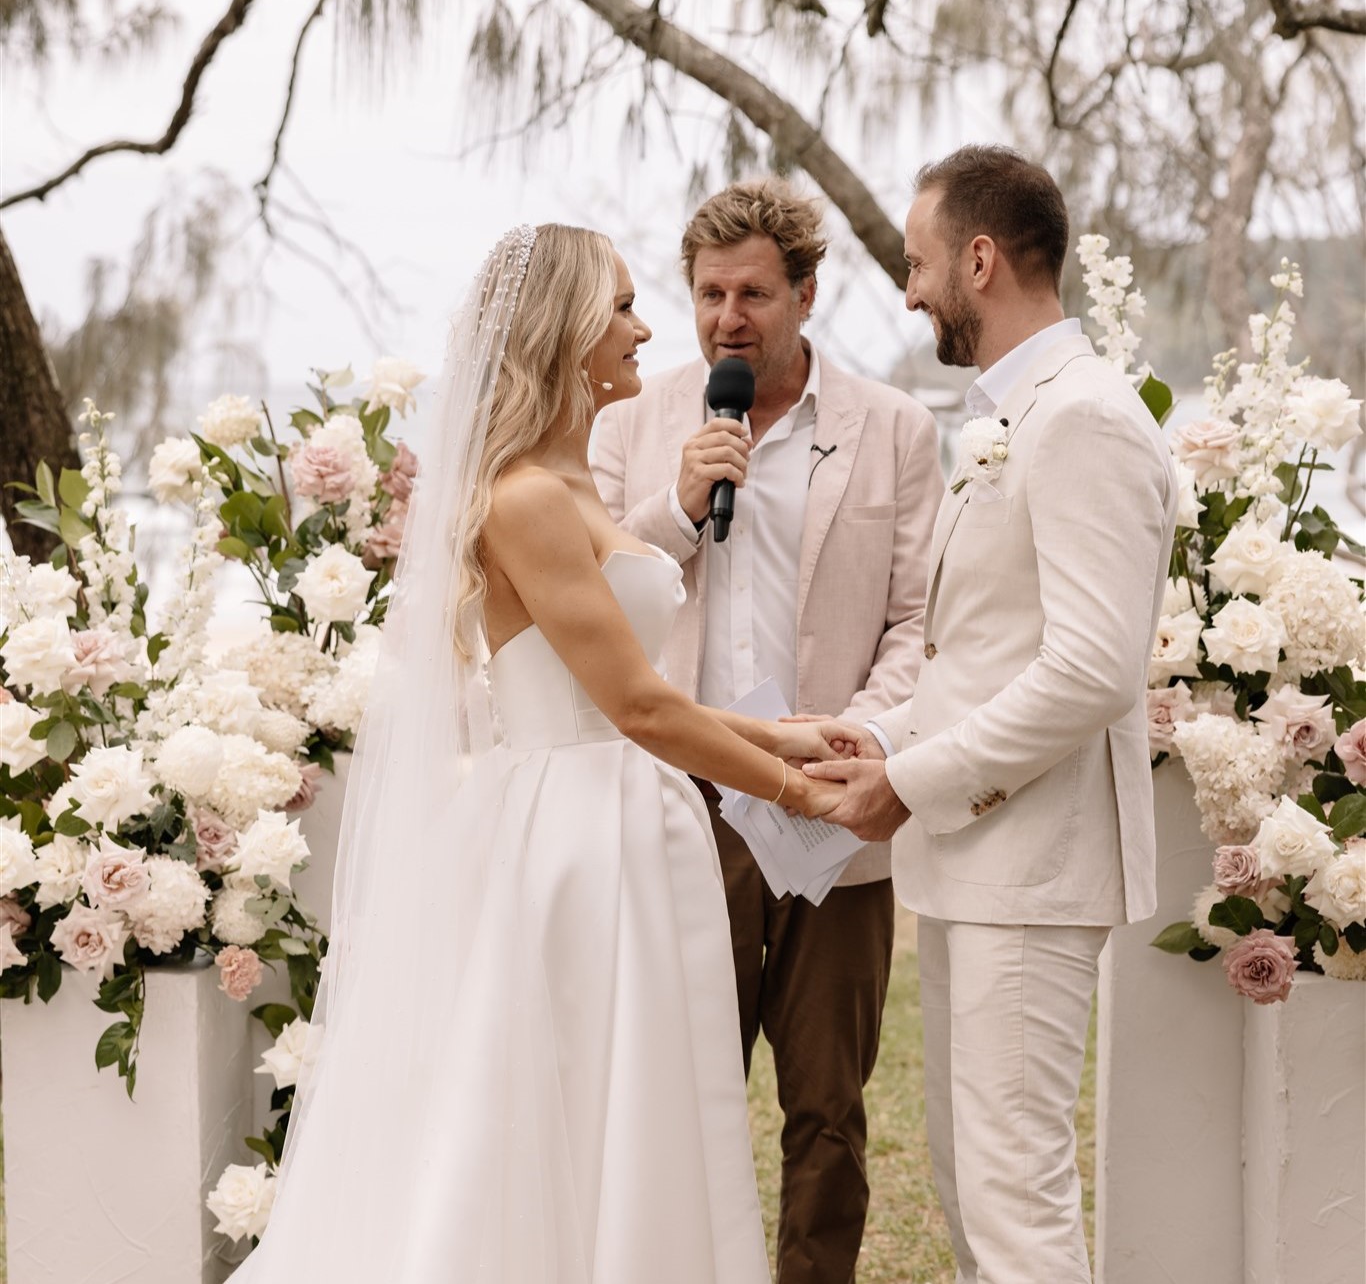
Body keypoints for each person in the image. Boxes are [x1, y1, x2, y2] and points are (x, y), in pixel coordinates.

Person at [231, 223, 853, 1283]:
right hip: (573, 842)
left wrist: (783, 729)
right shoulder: (523, 499)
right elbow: (637, 708)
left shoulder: (576, 489)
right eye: (619, 306)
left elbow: (630, 694)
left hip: (623, 819)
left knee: (637, 1098)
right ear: (563, 328)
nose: (646, 327)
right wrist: (801, 787)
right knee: (558, 1098)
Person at [806, 146, 1178, 1284]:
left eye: (918, 266)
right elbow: (983, 653)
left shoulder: (1081, 420)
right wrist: (879, 737)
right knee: (974, 1189)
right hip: (979, 860)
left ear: (980, 258)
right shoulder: (1021, 416)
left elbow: (1090, 668)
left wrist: (907, 783)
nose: (909, 292)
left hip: (1031, 867)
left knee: (1015, 1201)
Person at [592, 179, 943, 1283]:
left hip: (834, 800)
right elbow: (591, 595)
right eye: (706, 293)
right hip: (679, 801)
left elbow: (921, 617)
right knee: (664, 1089)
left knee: (829, 1105)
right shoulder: (631, 424)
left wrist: (865, 734)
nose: (725, 318)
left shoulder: (894, 426)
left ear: (804, 292)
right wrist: (679, 508)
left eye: (751, 292)